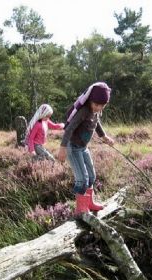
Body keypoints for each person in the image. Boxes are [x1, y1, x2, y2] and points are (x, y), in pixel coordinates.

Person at [57, 82, 114, 216]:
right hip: (73, 147)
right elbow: (69, 128)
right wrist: (63, 147)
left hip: (83, 148)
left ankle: (89, 203)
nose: (98, 108)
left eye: (102, 106)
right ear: (90, 100)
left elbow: (97, 124)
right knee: (82, 178)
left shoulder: (96, 111)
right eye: (96, 105)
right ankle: (81, 210)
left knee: (91, 176)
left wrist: (104, 136)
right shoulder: (83, 111)